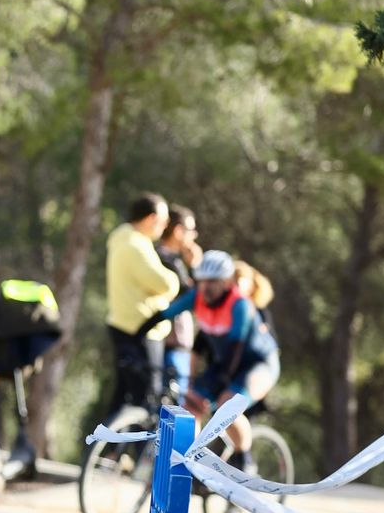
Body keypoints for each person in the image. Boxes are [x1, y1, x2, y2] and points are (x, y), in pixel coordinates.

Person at [139, 250, 280, 472]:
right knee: (190, 406)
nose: (206, 288)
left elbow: (236, 348)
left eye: (212, 282)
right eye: (201, 281)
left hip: (258, 364)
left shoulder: (240, 305)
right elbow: (165, 314)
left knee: (227, 406)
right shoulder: (197, 297)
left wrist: (220, 382)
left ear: (226, 282)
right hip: (225, 362)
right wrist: (137, 334)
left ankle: (245, 460)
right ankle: (190, 460)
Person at [103, 193, 178, 415]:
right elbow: (165, 284)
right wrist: (174, 280)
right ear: (151, 218)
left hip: (122, 326)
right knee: (146, 400)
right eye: (164, 221)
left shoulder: (121, 240)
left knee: (122, 394)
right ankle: (139, 449)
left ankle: (108, 448)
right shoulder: (136, 245)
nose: (165, 227)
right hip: (143, 330)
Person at [155, 205, 201, 400]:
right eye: (191, 230)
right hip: (172, 343)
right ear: (178, 231)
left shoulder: (170, 259)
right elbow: (195, 297)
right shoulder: (166, 260)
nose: (195, 236)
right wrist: (197, 267)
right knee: (174, 410)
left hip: (172, 344)